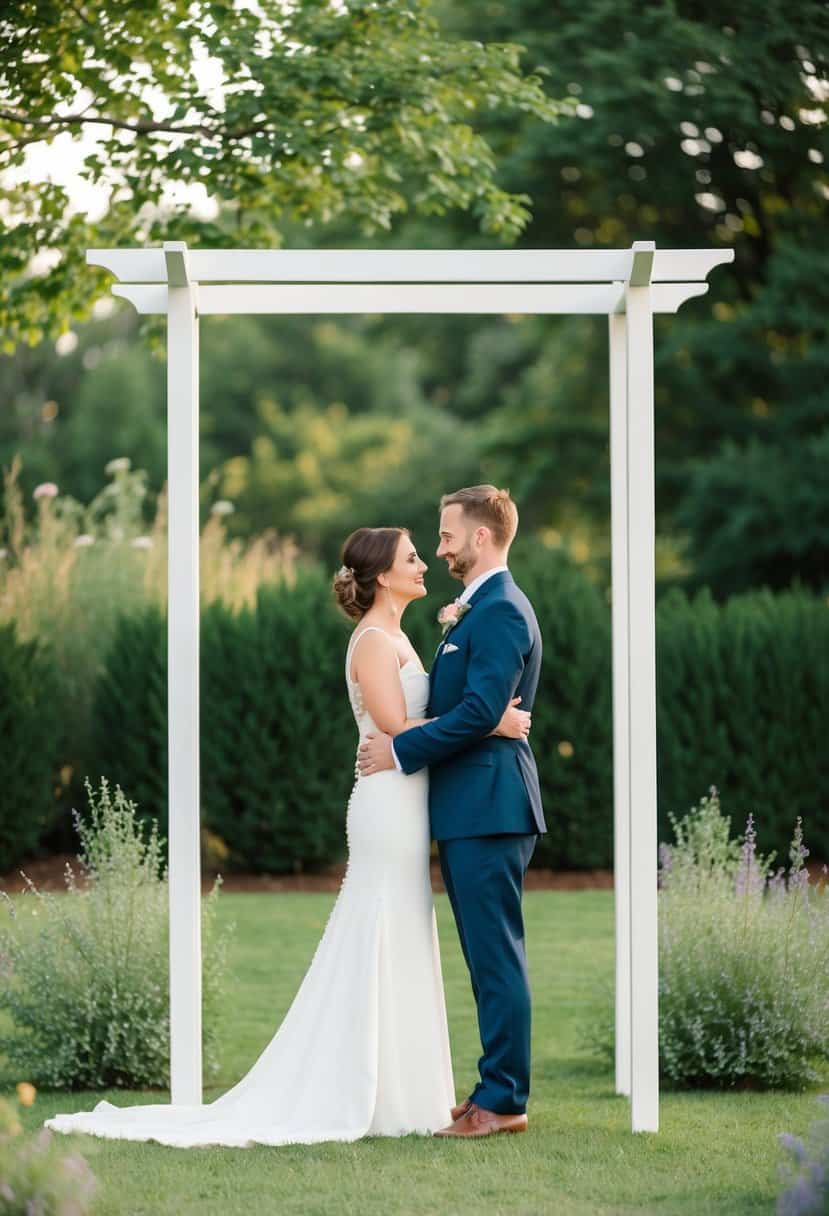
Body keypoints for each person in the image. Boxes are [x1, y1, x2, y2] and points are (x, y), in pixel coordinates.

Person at [44, 524, 530, 1149]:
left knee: (406, 931)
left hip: (409, 800)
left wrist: (475, 720)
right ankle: (362, 1088)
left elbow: (419, 726)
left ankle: (404, 1088)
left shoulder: (402, 635)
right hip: (386, 803)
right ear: (382, 574)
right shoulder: (374, 642)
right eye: (412, 556)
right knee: (379, 926)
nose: (424, 562)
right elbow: (391, 728)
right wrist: (491, 725)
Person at [358, 486, 545, 1139]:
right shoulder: (477, 609)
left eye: (445, 536)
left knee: (495, 956)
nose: (438, 549)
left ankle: (503, 1101)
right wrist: (484, 721)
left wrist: (400, 748)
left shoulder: (498, 612)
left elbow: (478, 710)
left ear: (482, 538)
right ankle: (491, 1087)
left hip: (488, 806)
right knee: (486, 954)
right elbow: (482, 712)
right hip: (473, 805)